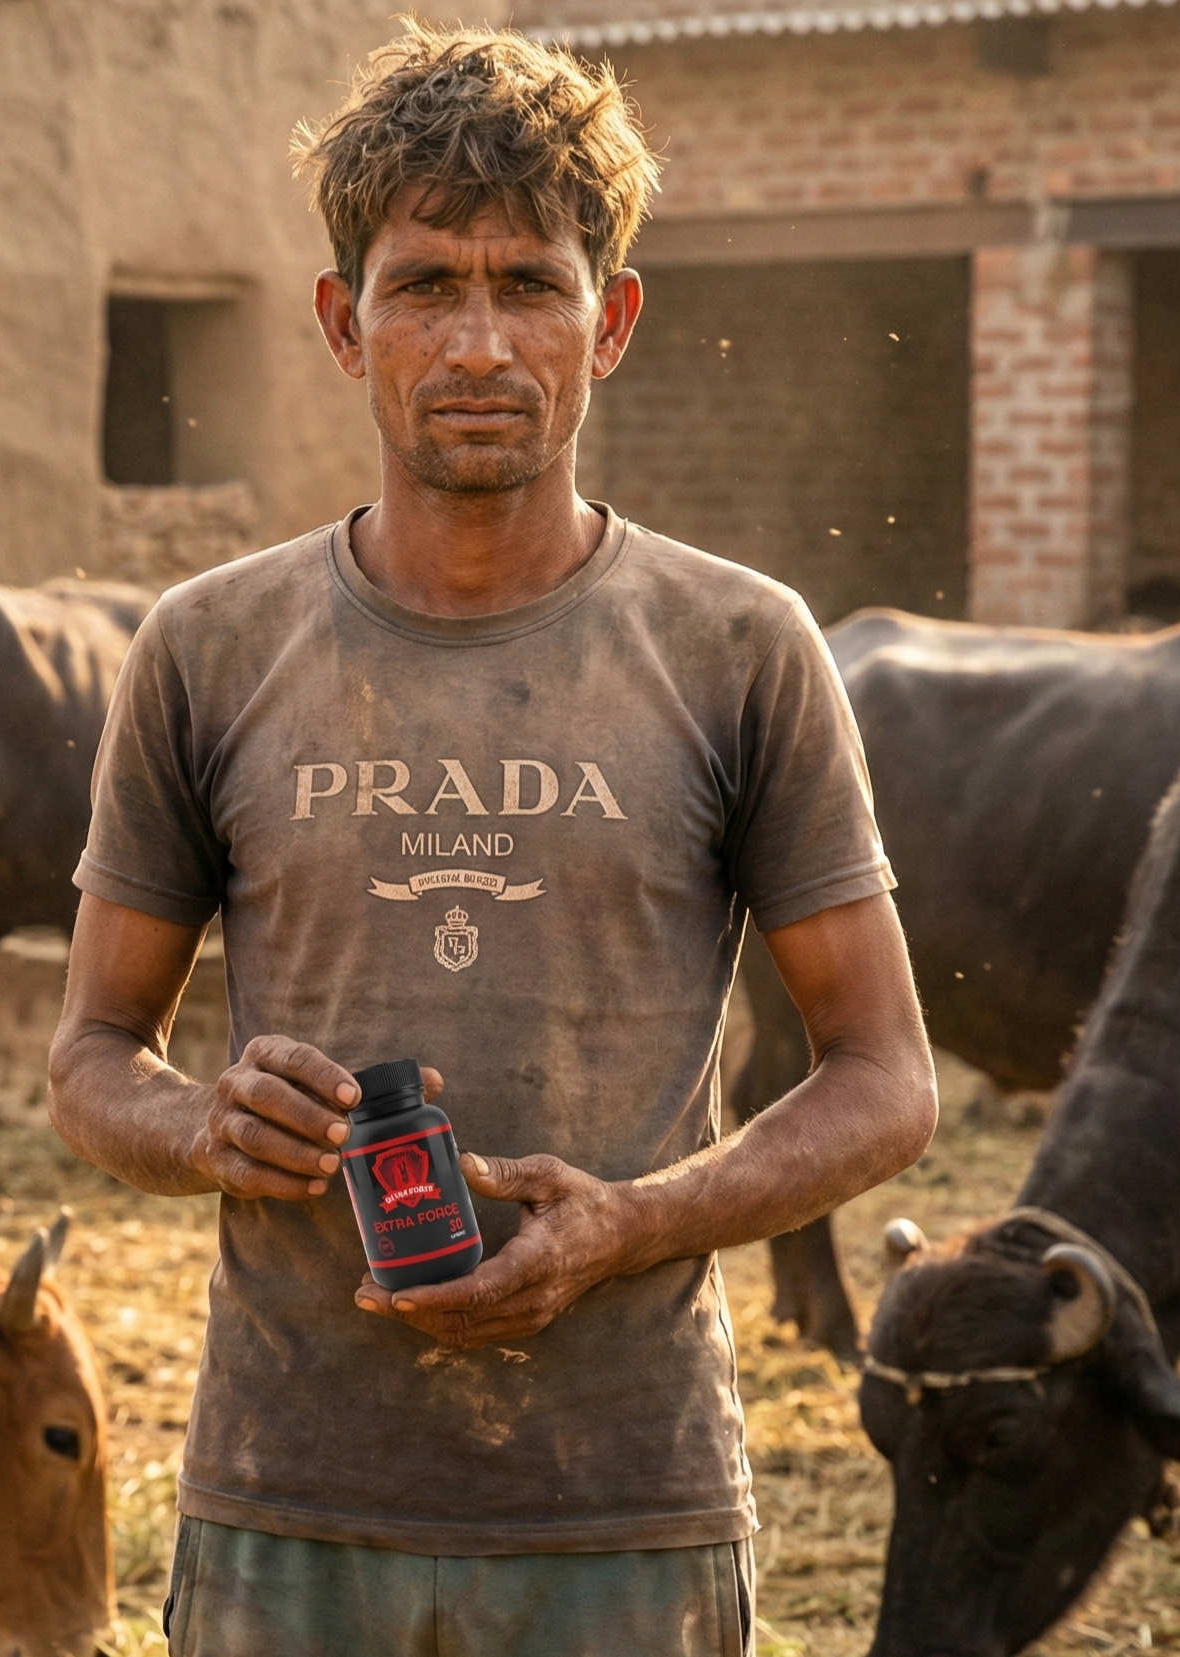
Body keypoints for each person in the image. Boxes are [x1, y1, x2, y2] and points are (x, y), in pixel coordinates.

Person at [48, 23, 937, 1657]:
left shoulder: (740, 647)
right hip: (286, 1501)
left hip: (621, 1507)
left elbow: (888, 1079)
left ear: (612, 325)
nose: (477, 342)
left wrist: (633, 1221)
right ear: (340, 320)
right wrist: (203, 1129)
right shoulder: (207, 648)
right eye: (423, 285)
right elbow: (93, 1057)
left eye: (529, 284)